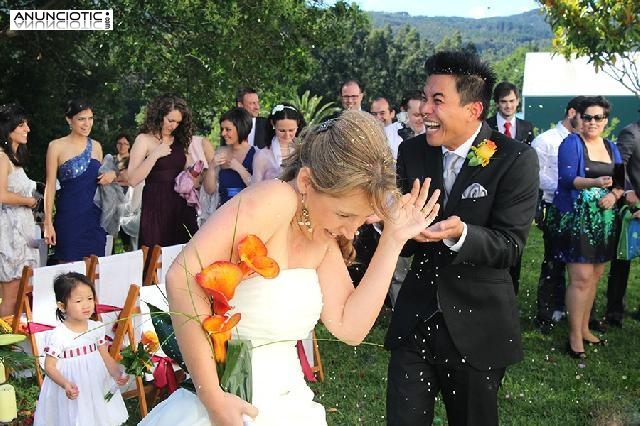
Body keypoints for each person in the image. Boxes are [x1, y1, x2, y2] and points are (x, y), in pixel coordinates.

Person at [137, 110, 440, 425]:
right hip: (226, 401)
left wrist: (393, 240)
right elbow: (182, 276)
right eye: (344, 215)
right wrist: (213, 397)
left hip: (288, 401)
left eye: (360, 219)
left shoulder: (320, 234)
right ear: (307, 181)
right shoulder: (276, 199)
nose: (351, 232)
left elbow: (349, 328)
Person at [386, 51, 539, 425]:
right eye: (425, 98)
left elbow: (510, 246)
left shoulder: (514, 158)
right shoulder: (411, 151)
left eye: (437, 100)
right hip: (415, 319)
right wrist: (388, 225)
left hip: (478, 326)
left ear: (473, 109)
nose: (424, 109)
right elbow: (405, 239)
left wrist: (462, 235)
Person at [546, 96, 623, 358]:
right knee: (580, 278)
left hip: (603, 221)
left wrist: (613, 195)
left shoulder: (612, 147)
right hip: (577, 221)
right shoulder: (571, 143)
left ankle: (585, 328)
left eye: (598, 117)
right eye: (587, 117)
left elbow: (620, 182)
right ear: (579, 117)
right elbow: (567, 179)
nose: (592, 122)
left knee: (595, 276)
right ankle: (574, 336)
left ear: (605, 120)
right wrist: (595, 183)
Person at [33, 272, 129, 426]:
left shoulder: (96, 328)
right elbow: (49, 366)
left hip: (95, 382)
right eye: (78, 301)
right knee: (73, 417)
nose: (86, 304)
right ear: (62, 306)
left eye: (90, 298)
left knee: (97, 415)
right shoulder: (59, 335)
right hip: (72, 386)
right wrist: (65, 384)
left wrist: (117, 373)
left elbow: (105, 356)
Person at [531, 96, 584, 333]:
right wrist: (564, 187)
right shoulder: (546, 140)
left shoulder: (584, 141)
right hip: (554, 206)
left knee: (578, 261)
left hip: (582, 210)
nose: (588, 121)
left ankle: (570, 308)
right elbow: (535, 174)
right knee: (553, 261)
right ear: (572, 112)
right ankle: (546, 312)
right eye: (584, 116)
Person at [44, 99, 113, 262]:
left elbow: (101, 182)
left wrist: (111, 175)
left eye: (90, 118)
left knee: (94, 270)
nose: (87, 124)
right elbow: (50, 185)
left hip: (94, 219)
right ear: (69, 120)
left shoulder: (97, 146)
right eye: (81, 119)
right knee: (68, 269)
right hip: (69, 218)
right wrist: (48, 223)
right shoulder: (56, 146)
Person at [127, 94, 198, 249]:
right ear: (159, 115)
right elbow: (132, 179)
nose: (173, 126)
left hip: (180, 204)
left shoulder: (181, 141)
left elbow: (193, 175)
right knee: (155, 254)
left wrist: (194, 172)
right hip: (156, 204)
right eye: (170, 120)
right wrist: (154, 155)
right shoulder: (144, 139)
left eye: (178, 122)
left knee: (184, 253)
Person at [0, 103, 39, 317]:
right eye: (22, 125)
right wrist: (29, 201)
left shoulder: (15, 159)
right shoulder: (1, 158)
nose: (27, 129)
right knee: (11, 297)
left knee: (21, 294)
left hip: (23, 233)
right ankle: (5, 337)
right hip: (9, 234)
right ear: (8, 128)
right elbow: (2, 195)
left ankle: (14, 334)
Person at [606, 110, 640, 327]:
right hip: (631, 208)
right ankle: (614, 312)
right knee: (621, 261)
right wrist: (628, 192)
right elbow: (619, 167)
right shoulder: (631, 133)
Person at [203, 108, 256, 207]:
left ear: (241, 128)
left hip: (247, 210)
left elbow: (258, 189)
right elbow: (209, 190)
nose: (223, 133)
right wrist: (212, 167)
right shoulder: (220, 152)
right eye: (222, 129)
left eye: (228, 129)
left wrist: (239, 168)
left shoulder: (256, 154)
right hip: (224, 210)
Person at [252, 104, 306, 183]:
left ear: (298, 124)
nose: (287, 135)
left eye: (291, 130)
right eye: (282, 130)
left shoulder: (303, 151)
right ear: (273, 124)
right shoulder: (262, 155)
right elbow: (255, 186)